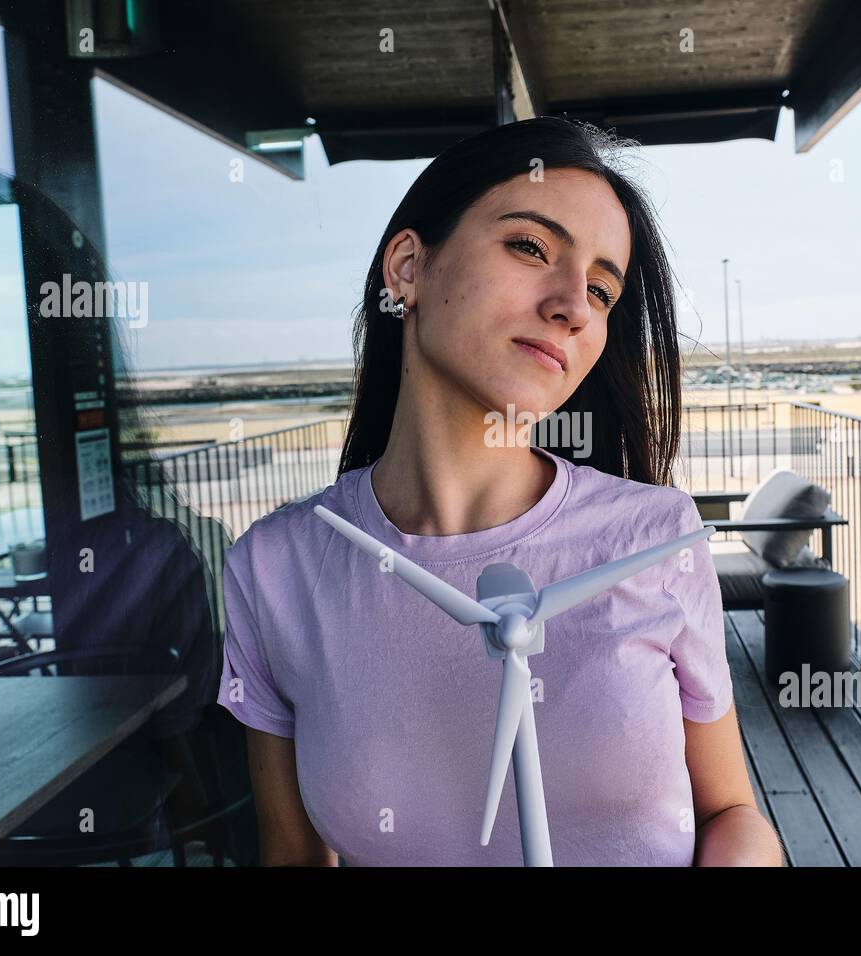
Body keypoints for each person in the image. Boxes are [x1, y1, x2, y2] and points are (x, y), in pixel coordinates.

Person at [216, 116, 783, 866]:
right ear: (409, 268)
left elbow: (732, 811)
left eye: (603, 290)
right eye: (530, 247)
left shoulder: (655, 539)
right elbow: (291, 856)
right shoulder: (275, 571)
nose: (574, 306)